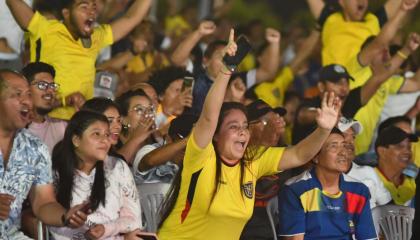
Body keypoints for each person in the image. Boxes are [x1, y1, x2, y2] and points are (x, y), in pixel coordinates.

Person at [157, 30, 341, 240]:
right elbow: (208, 118)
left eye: (245, 125)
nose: (243, 131)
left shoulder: (253, 162)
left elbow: (299, 154)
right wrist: (226, 70)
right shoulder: (201, 156)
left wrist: (324, 130)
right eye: (233, 126)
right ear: (216, 135)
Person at [6, 0, 152, 120]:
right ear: (66, 13)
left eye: (94, 7)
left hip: (78, 125)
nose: (91, 12)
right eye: (84, 7)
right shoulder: (46, 30)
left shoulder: (96, 37)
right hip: (44, 120)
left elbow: (131, 18)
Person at [0, 69, 87, 239]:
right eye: (18, 94)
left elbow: (44, 203)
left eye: (28, 95)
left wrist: (65, 216)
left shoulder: (35, 148)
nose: (27, 102)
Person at [50, 110, 142, 239]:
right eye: (96, 134)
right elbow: (48, 221)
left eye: (107, 134)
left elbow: (133, 219)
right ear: (76, 140)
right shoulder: (55, 172)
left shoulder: (117, 167)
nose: (105, 140)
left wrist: (106, 229)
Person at [278, 128, 377, 239]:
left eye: (344, 146)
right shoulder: (296, 189)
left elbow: (368, 237)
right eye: (334, 146)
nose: (343, 152)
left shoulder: (358, 190)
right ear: (315, 156)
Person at [306, 0, 416, 65]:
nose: (361, 1)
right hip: (333, 90)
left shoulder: (373, 21)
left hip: (361, 93)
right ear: (341, 2)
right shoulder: (329, 20)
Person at [338, 117, 392, 209]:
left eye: (353, 137)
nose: (350, 141)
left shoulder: (369, 172)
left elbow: (389, 210)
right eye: (343, 135)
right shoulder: (314, 177)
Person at [22, 62, 67, 153]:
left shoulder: (61, 127)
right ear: (26, 89)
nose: (50, 90)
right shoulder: (12, 128)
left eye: (52, 86)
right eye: (42, 85)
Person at [374, 126, 417, 206]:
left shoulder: (413, 183)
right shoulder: (367, 180)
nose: (407, 152)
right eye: (399, 147)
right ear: (382, 151)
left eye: (409, 147)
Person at [115, 89, 156, 164]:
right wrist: (136, 139)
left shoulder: (156, 144)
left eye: (150, 110)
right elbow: (115, 169)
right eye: (140, 110)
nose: (147, 115)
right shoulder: (111, 145)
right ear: (123, 119)